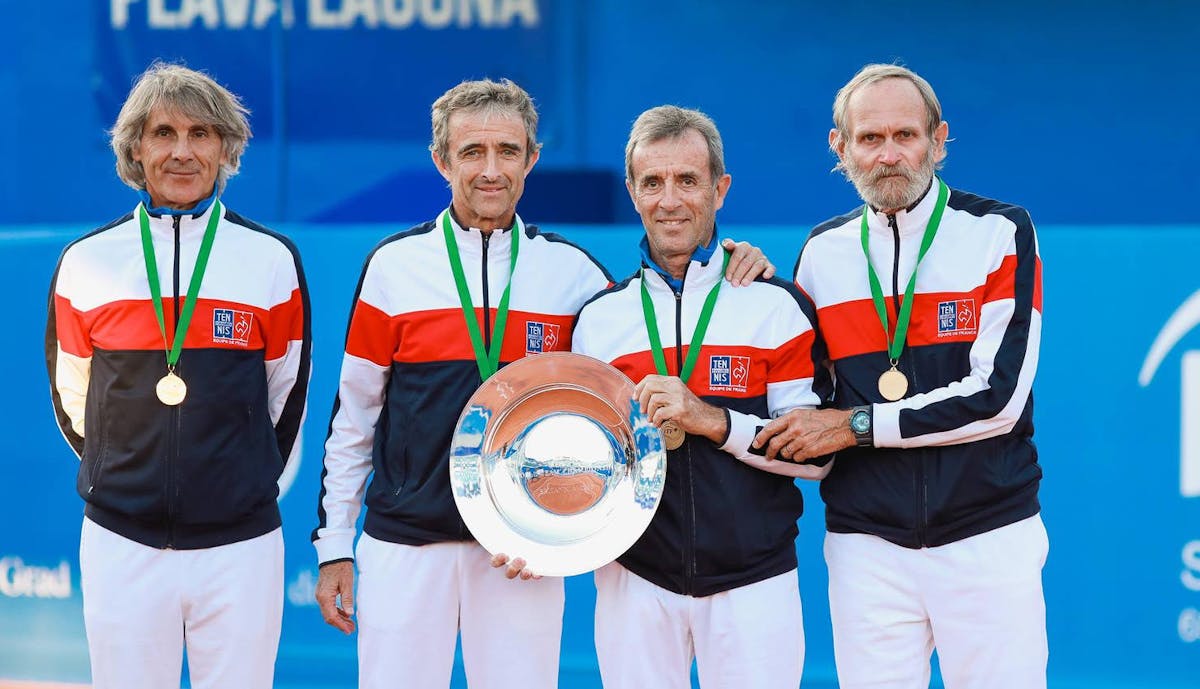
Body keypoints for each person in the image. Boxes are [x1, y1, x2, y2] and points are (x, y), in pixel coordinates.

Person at [312, 80, 774, 688]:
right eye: (472, 152)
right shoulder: (393, 268)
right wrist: (335, 545)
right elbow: (354, 419)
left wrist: (737, 261)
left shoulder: (574, 276)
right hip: (405, 545)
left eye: (508, 151)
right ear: (441, 160)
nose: (491, 169)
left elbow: (625, 380)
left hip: (524, 551)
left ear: (531, 158)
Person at [755, 63, 1047, 689]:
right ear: (840, 147)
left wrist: (857, 426)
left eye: (905, 136)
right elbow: (807, 398)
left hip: (987, 534)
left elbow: (998, 399)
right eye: (869, 139)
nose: (889, 155)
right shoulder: (821, 252)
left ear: (938, 140)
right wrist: (746, 284)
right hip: (868, 545)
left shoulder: (999, 232)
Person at [45, 62, 311, 689]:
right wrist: (127, 474)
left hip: (240, 546)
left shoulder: (270, 260)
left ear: (225, 147)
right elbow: (73, 395)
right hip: (121, 542)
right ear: (136, 147)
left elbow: (285, 394)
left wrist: (232, 479)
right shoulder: (86, 262)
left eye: (201, 134)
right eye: (163, 133)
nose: (182, 151)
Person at [568, 105, 829, 689]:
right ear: (632, 191)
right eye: (653, 182)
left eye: (688, 180)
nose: (670, 200)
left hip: (754, 581)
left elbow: (818, 457)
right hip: (633, 579)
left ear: (720, 188)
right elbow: (587, 460)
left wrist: (712, 420)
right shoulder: (598, 320)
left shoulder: (775, 307)